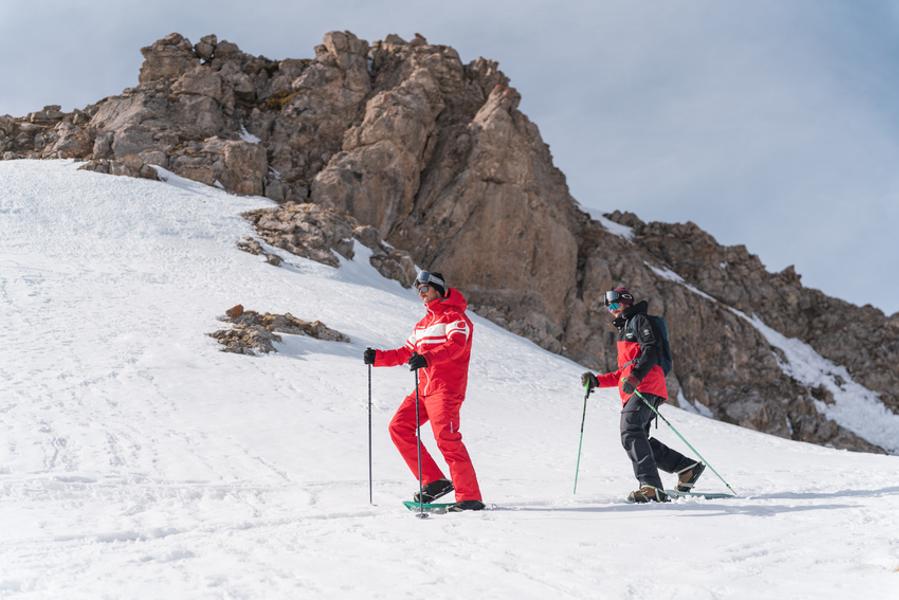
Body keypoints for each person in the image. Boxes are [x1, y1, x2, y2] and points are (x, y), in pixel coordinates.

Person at [364, 271, 485, 512]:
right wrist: (377, 357)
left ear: (438, 289)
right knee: (398, 427)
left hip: (445, 389)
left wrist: (427, 358)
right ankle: (435, 481)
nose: (421, 293)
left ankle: (469, 497)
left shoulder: (456, 318)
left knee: (446, 439)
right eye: (418, 289)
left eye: (425, 288)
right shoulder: (422, 325)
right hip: (424, 389)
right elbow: (404, 353)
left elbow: (456, 346)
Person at [581, 286, 705, 503]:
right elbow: (623, 372)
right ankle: (686, 468)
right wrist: (598, 381)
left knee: (630, 431)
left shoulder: (639, 320)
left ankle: (651, 487)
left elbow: (652, 349)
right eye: (608, 306)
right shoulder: (625, 329)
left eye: (613, 303)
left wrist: (636, 377)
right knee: (639, 437)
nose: (611, 309)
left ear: (626, 301)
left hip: (646, 386)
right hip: (638, 388)